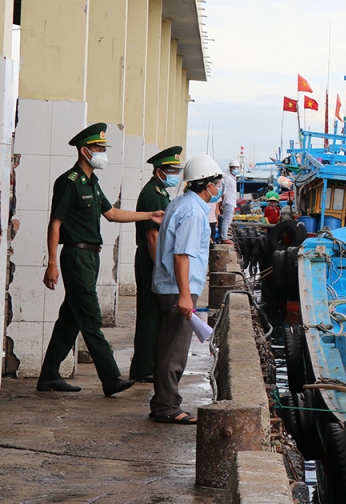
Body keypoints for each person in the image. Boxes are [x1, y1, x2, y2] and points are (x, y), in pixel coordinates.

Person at [38, 123, 164, 395]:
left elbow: (112, 214)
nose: (102, 153)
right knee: (92, 319)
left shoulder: (92, 183)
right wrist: (51, 263)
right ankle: (111, 378)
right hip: (76, 255)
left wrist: (149, 215)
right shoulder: (69, 182)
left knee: (71, 318)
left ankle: (48, 376)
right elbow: (55, 223)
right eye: (98, 148)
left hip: (91, 256)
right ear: (85, 151)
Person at [149, 154, 222, 424]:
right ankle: (167, 407)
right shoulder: (193, 212)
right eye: (217, 183)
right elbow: (182, 255)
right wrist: (184, 295)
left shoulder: (180, 203)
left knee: (167, 346)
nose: (218, 188)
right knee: (174, 351)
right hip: (178, 288)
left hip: (169, 286)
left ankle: (163, 402)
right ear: (207, 185)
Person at [128, 146, 182, 382]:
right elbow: (153, 236)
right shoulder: (152, 194)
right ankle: (143, 368)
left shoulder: (159, 191)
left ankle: (148, 363)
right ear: (160, 171)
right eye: (172, 170)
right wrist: (161, 266)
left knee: (155, 313)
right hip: (151, 259)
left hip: (154, 259)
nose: (175, 175)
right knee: (149, 313)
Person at [218, 160, 239, 244]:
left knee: (228, 220)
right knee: (226, 220)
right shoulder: (228, 179)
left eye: (238, 168)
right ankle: (224, 238)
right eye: (235, 168)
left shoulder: (233, 179)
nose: (237, 170)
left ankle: (224, 236)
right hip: (228, 202)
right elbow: (224, 192)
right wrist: (222, 203)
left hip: (232, 202)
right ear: (231, 169)